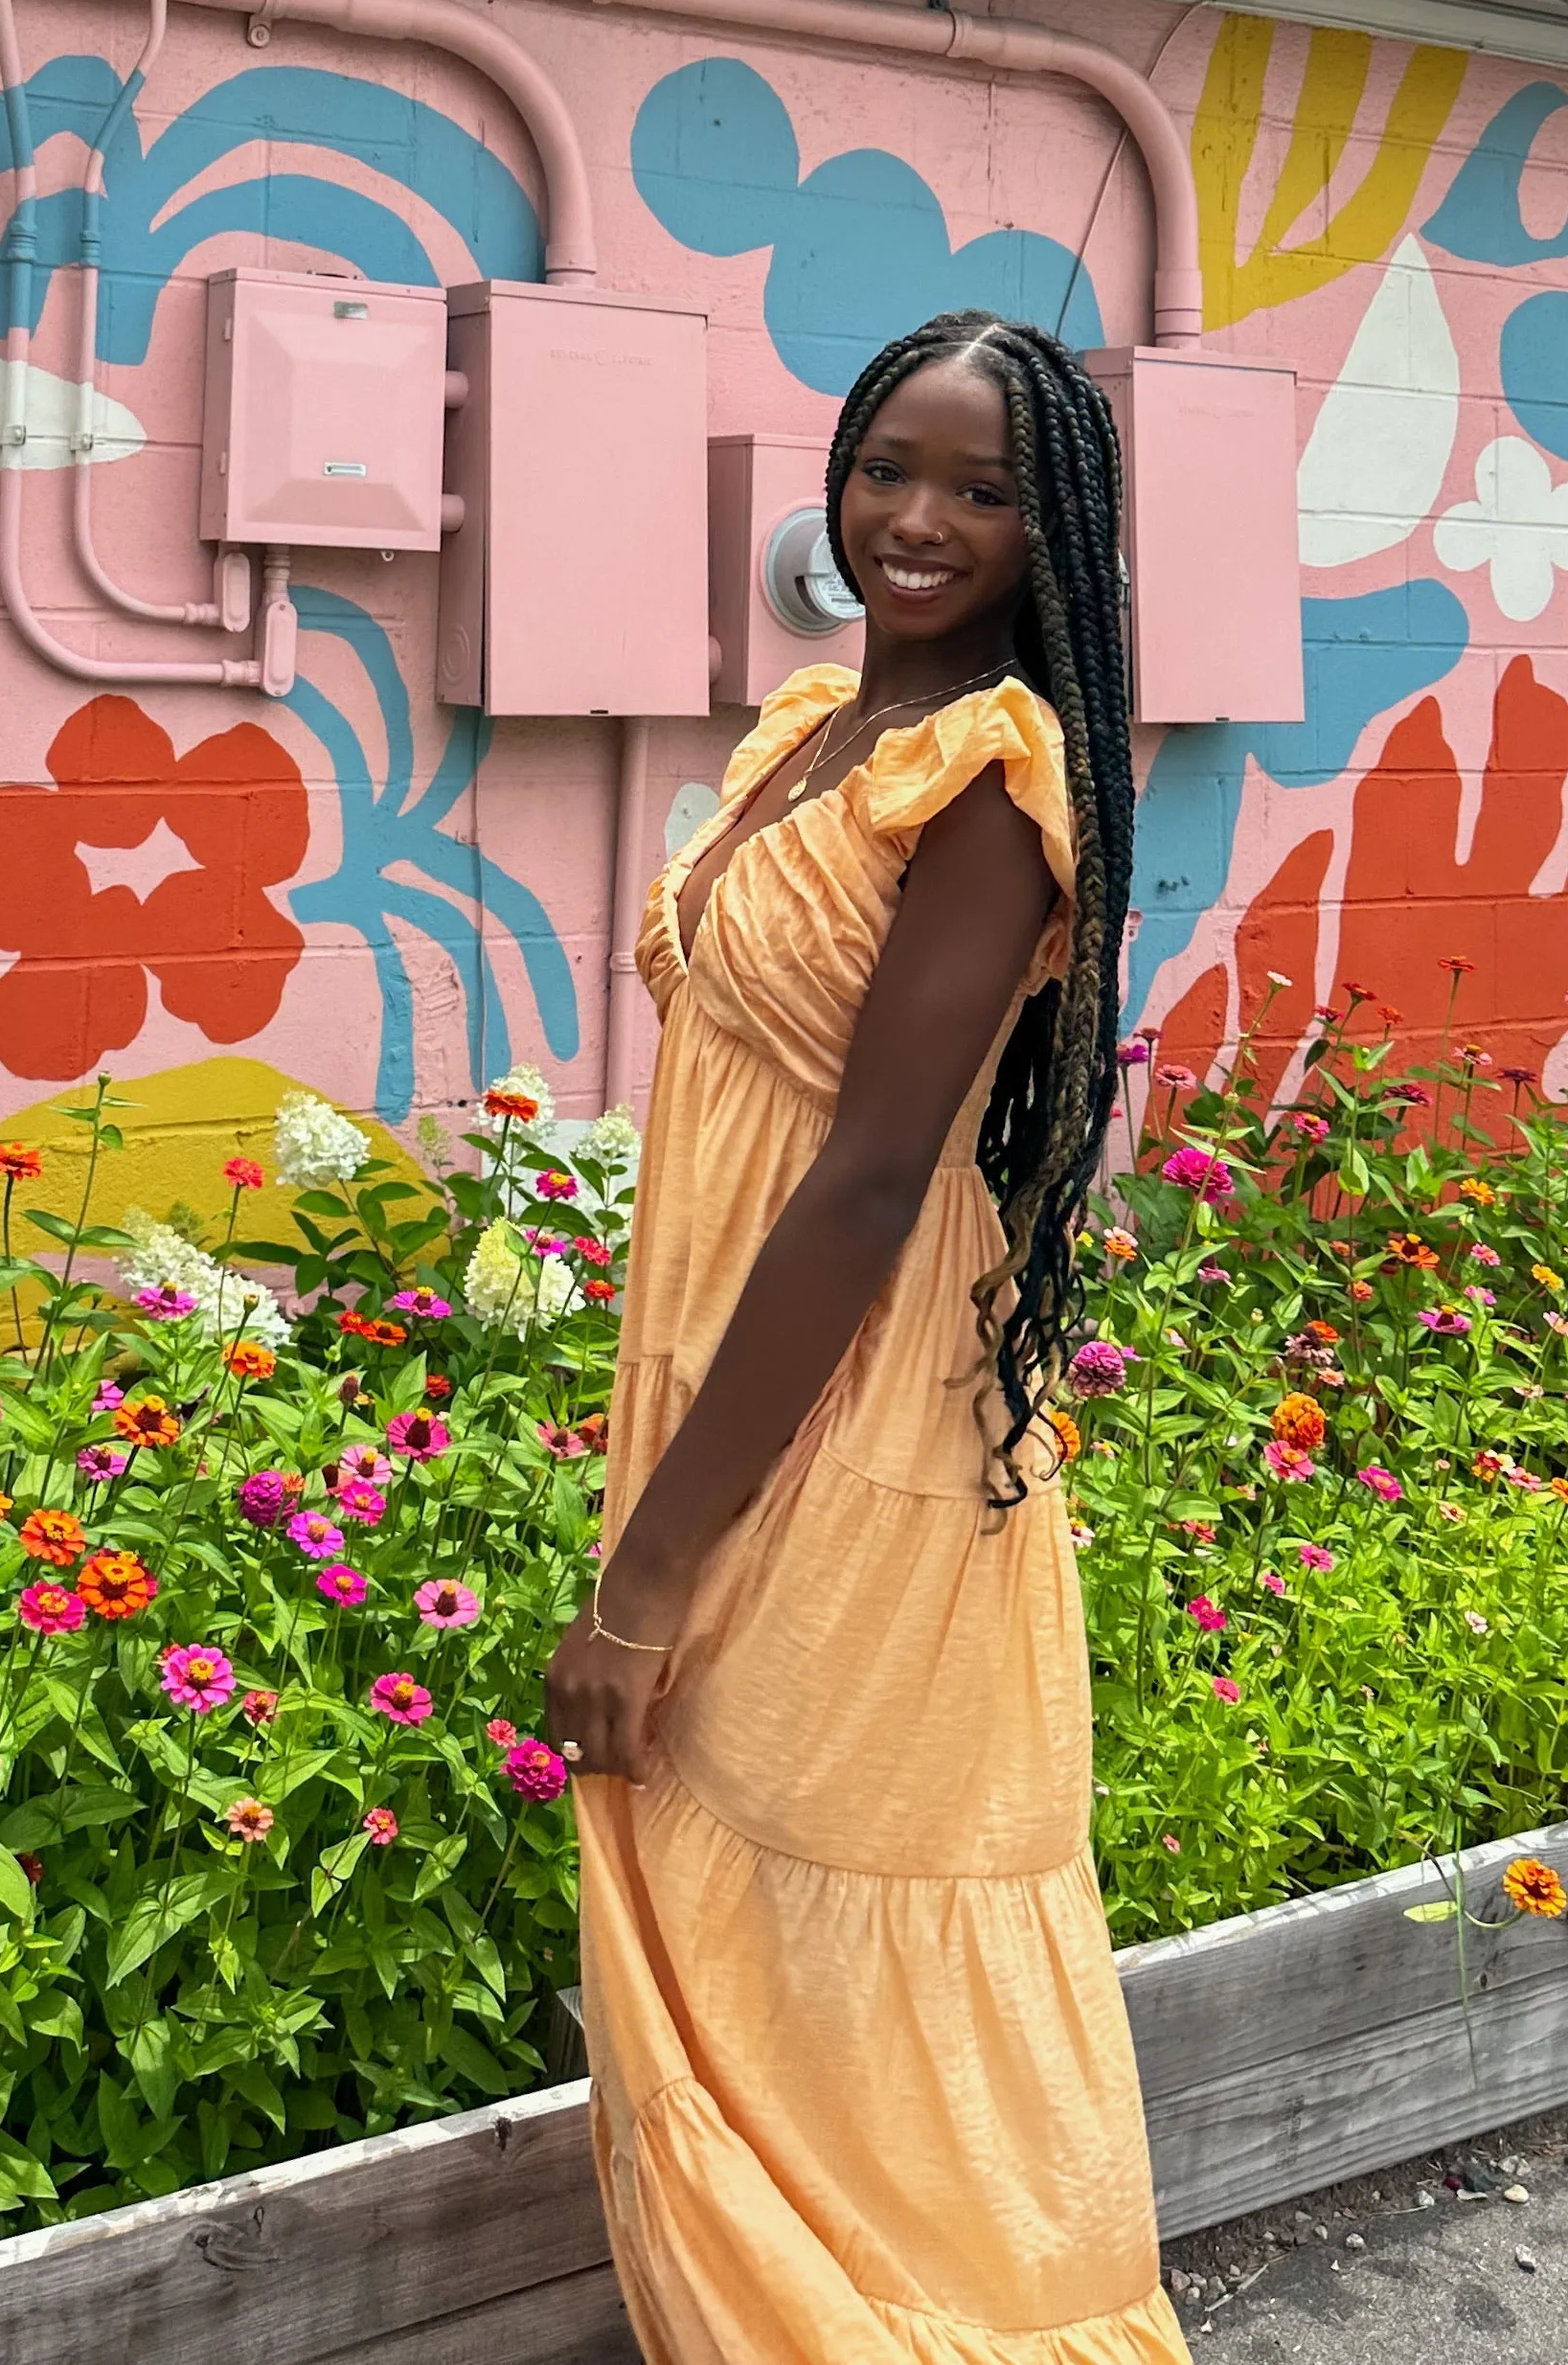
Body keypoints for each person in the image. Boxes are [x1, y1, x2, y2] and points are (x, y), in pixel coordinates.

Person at [548, 309, 1189, 2363]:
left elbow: (865, 1177)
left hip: (847, 1406)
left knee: (833, 1907)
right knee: (736, 1910)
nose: (917, 520)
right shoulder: (809, 735)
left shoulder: (993, 780)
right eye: (887, 469)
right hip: (734, 1366)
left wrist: (646, 1572)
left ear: (1051, 527)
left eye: (983, 489)